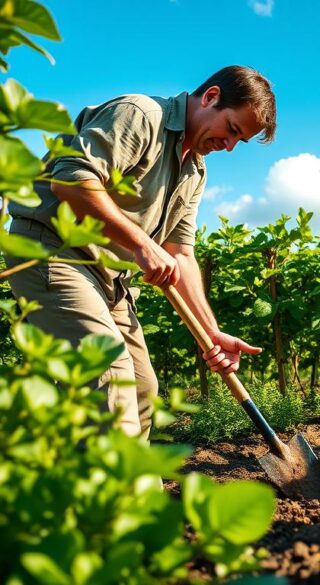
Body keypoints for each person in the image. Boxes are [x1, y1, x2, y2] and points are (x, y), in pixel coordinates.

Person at [6, 65, 276, 440]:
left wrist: (211, 334)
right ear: (211, 97)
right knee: (110, 377)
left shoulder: (195, 172)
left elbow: (180, 253)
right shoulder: (141, 115)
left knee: (142, 390)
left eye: (239, 141)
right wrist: (141, 243)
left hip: (109, 278)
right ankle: (121, 497)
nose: (229, 146)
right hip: (54, 252)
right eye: (231, 129)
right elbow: (71, 179)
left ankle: (117, 486)